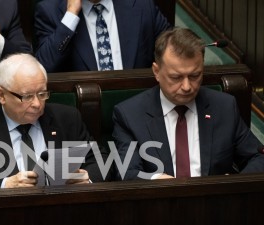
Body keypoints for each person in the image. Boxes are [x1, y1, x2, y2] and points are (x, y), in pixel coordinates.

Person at [0, 53, 111, 191]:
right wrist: (5, 184)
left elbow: (102, 161)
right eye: (27, 96)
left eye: (42, 94)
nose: (37, 104)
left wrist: (87, 178)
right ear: (2, 95)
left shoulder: (67, 119)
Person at [112, 28, 264, 180]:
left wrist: (232, 184)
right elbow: (127, 173)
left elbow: (258, 157)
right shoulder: (130, 115)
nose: (187, 87)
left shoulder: (224, 107)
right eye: (176, 77)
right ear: (156, 71)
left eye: (194, 75)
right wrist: (156, 181)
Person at [34, 0, 171, 73]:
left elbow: (173, 46)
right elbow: (43, 68)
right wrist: (71, 15)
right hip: (82, 110)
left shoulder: (141, 4)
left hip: (137, 105)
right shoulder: (49, 10)